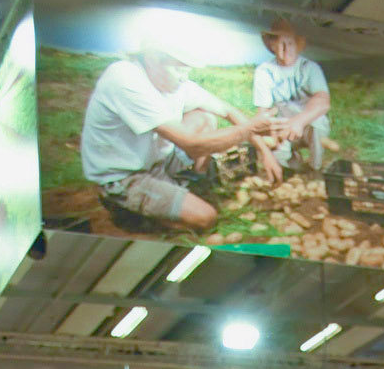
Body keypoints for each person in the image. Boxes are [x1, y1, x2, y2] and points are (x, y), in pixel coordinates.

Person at [80, 34, 279, 232]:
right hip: (125, 176)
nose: (184, 76)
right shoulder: (125, 79)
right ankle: (128, 211)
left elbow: (227, 110)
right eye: (178, 68)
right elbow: (192, 144)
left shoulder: (175, 83)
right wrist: (250, 129)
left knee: (205, 117)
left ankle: (191, 186)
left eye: (187, 69)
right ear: (152, 60)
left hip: (156, 161)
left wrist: (266, 153)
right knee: (205, 218)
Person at [254, 20, 331, 174]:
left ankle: (315, 169)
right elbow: (263, 110)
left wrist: (299, 122)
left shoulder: (310, 68)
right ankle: (287, 167)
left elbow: (323, 101)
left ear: (296, 45)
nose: (285, 48)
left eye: (289, 43)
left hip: (308, 123)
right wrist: (262, 132)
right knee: (270, 147)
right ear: (272, 46)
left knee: (319, 123)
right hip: (282, 126)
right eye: (281, 43)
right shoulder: (264, 71)